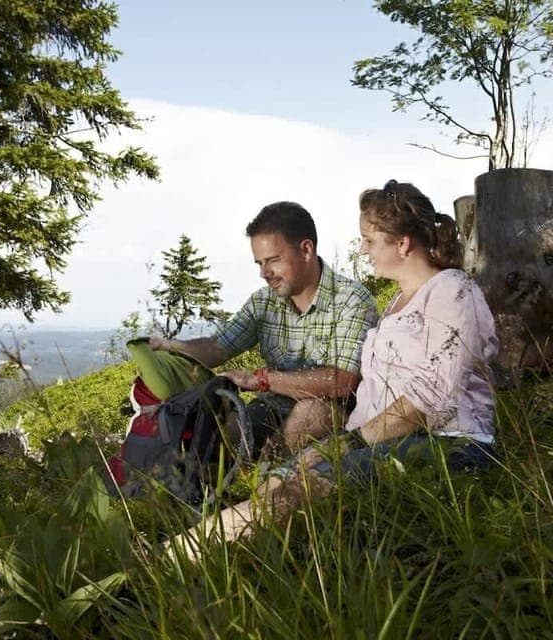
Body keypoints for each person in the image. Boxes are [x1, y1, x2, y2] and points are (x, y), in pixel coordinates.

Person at [166, 179, 499, 559]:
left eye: (369, 241)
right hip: (382, 438)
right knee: (275, 481)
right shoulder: (396, 304)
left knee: (301, 489)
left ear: (403, 244)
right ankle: (238, 555)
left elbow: (427, 401)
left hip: (449, 441)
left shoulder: (452, 290)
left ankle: (175, 556)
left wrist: (345, 445)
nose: (363, 250)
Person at [150, 201, 378, 456]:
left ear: (306, 250)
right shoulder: (263, 302)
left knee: (310, 413)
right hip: (271, 408)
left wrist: (260, 380)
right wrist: (170, 347)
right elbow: (216, 347)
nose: (264, 273)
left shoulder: (352, 300)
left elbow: (342, 382)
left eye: (273, 260)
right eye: (259, 263)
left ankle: (274, 471)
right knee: (215, 433)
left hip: (334, 414)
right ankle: (245, 470)